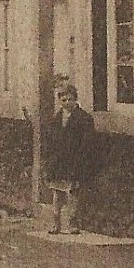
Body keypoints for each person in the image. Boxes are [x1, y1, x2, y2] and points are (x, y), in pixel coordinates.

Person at [42, 83, 96, 235]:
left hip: (75, 162)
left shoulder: (84, 119)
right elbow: (50, 140)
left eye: (70, 99)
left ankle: (72, 223)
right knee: (57, 194)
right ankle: (56, 222)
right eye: (63, 100)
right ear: (60, 101)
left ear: (75, 99)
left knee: (73, 194)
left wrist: (81, 160)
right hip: (58, 163)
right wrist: (50, 159)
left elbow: (87, 143)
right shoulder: (56, 118)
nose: (67, 103)